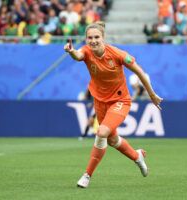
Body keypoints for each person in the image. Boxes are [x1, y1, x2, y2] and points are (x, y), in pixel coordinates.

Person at [64, 21, 163, 188]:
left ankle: (87, 175)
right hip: (100, 101)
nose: (93, 41)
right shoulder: (86, 51)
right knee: (112, 139)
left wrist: (152, 94)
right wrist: (71, 51)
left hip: (120, 100)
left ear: (103, 38)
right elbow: (78, 56)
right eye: (90, 38)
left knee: (101, 132)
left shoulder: (118, 54)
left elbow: (140, 72)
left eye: (97, 37)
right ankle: (136, 156)